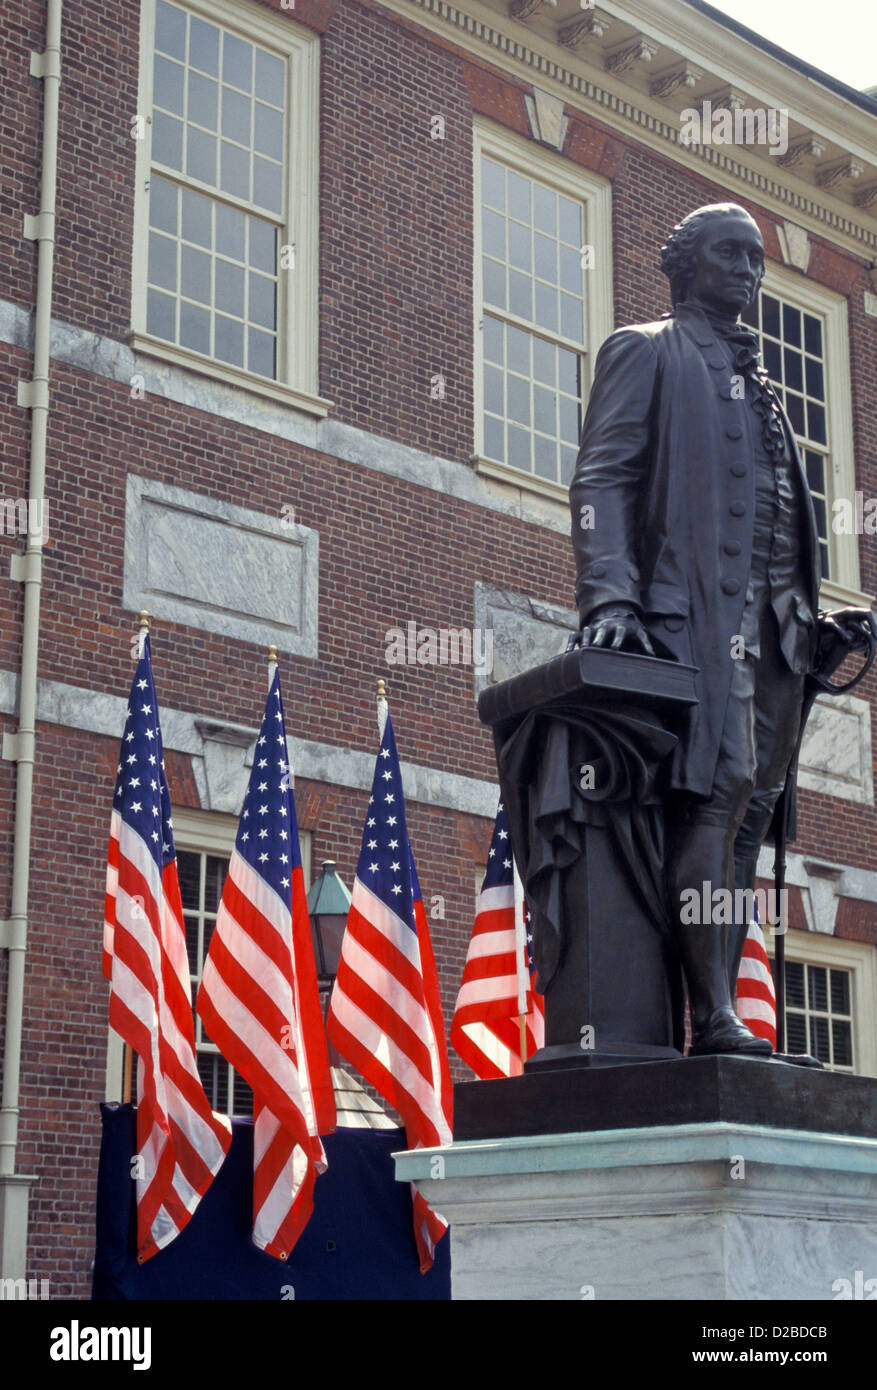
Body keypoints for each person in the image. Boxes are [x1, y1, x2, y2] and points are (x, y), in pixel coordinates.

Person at [570, 202, 862, 1055]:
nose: (747, 271)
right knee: (717, 791)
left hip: (778, 636)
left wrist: (819, 620)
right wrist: (610, 602)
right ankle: (713, 1016)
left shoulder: (762, 386)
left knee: (752, 812)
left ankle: (717, 1013)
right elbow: (602, 480)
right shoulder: (647, 349)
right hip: (692, 620)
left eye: (756, 260)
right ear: (683, 265)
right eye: (728, 254)